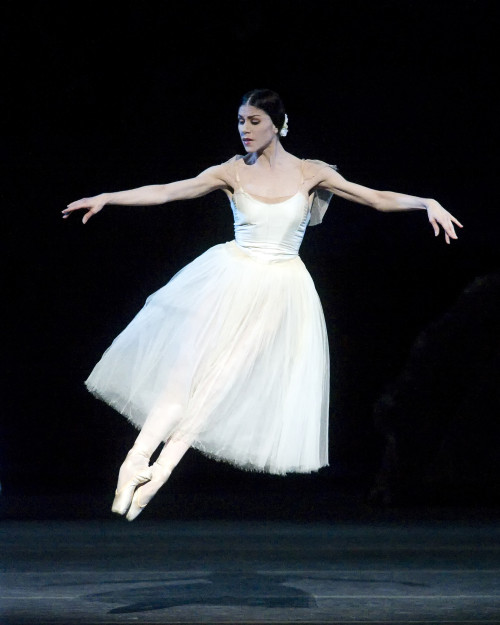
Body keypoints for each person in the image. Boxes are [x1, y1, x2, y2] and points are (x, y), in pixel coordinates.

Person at [63, 88, 462, 521]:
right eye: (240, 122)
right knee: (183, 378)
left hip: (280, 292)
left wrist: (426, 202)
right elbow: (167, 191)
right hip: (228, 280)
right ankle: (134, 464)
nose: (245, 130)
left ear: (278, 123)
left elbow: (375, 198)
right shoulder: (232, 172)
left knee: (216, 390)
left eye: (254, 122)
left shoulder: (311, 174)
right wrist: (109, 198)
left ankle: (157, 476)